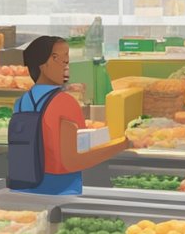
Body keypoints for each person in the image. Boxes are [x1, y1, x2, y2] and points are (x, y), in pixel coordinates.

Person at [11, 35, 128, 195]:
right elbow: (71, 162)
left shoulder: (22, 102)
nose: (66, 65)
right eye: (58, 59)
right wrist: (124, 144)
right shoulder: (65, 103)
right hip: (60, 194)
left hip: (24, 191)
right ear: (43, 65)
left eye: (67, 60)